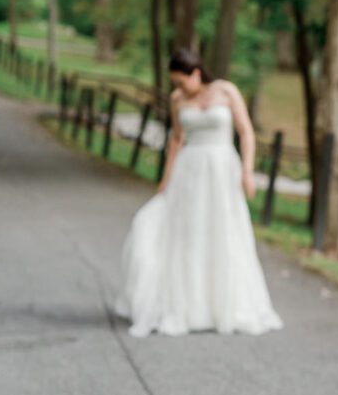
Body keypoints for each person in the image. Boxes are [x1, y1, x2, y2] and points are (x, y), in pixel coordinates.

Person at [115, 48, 283, 338]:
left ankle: (226, 304)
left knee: (223, 231)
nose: (179, 88)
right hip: (189, 171)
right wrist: (166, 179)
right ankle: (189, 305)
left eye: (182, 81)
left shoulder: (226, 91)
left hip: (221, 170)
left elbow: (245, 131)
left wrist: (247, 170)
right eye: (175, 83)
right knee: (187, 233)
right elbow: (177, 139)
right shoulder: (177, 100)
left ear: (195, 73)